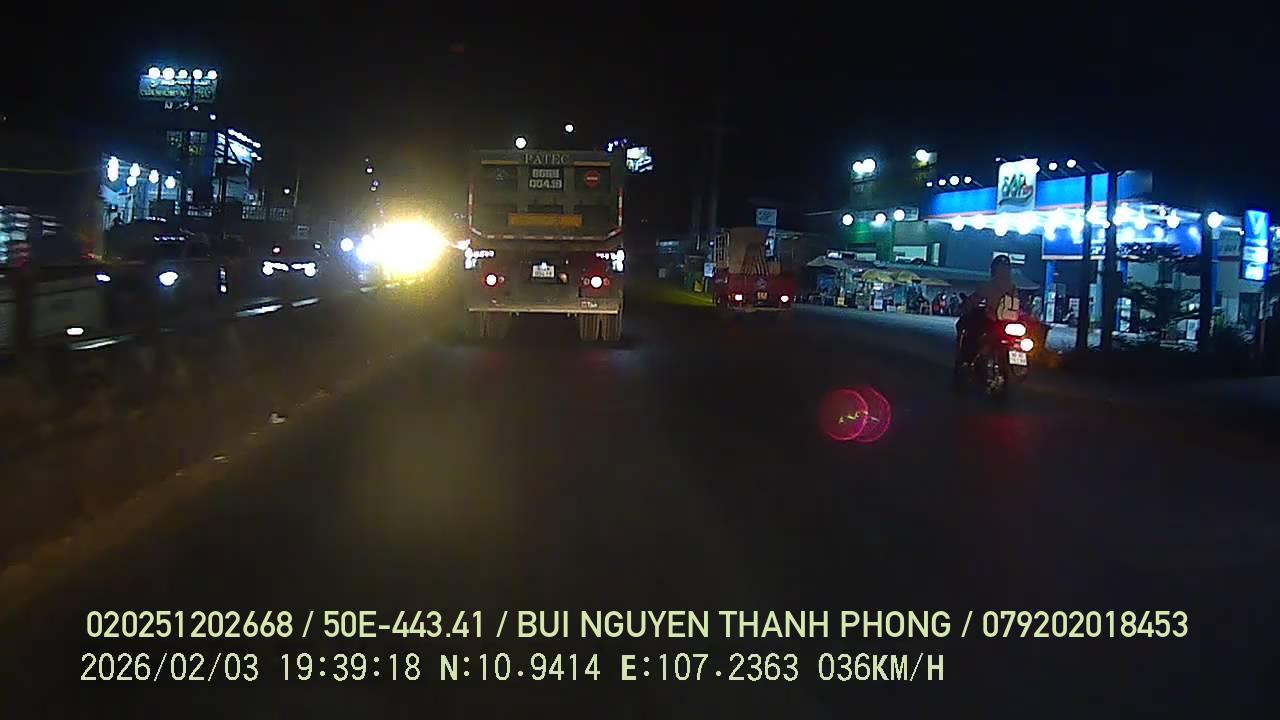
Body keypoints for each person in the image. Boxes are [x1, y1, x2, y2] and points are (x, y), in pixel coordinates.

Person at [955, 255, 1021, 372]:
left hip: (993, 321)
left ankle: (967, 360)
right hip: (1010, 322)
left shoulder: (990, 285)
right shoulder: (1013, 287)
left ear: (993, 269)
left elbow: (973, 300)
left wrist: (964, 307)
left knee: (971, 332)